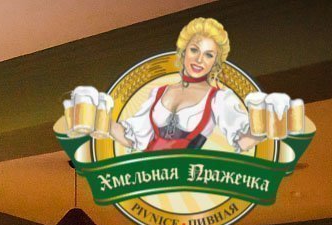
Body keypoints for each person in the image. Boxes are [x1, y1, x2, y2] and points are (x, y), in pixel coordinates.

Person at [110, 17, 262, 153]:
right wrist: (103, 120)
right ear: (183, 52)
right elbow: (130, 137)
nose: (199, 59)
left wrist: (266, 126)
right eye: (194, 50)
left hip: (182, 173)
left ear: (215, 62)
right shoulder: (158, 93)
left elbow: (243, 141)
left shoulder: (219, 98)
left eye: (208, 55)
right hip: (149, 172)